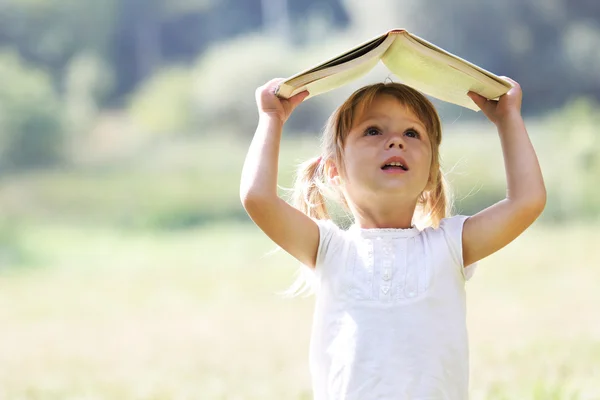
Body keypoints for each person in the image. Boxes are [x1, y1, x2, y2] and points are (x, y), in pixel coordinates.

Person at [240, 77, 546, 399]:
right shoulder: (329, 249)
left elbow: (527, 201)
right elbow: (258, 198)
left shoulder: (450, 246)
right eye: (373, 131)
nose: (396, 142)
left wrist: (507, 118)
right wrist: (271, 119)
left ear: (430, 174)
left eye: (412, 133)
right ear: (334, 170)